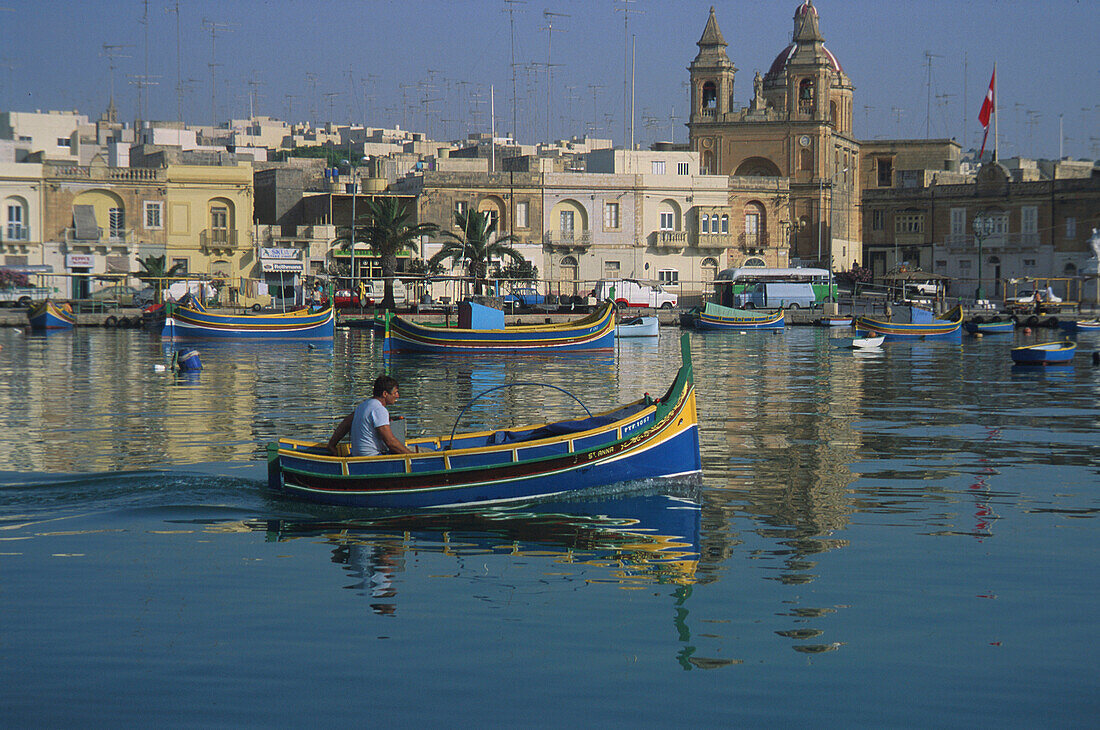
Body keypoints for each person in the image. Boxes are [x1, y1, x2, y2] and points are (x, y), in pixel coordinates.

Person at [327, 374, 413, 457]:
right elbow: (390, 442)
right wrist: (413, 456)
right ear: (385, 394)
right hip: (372, 457)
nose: (397, 396)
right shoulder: (379, 410)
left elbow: (345, 424)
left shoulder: (363, 405)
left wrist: (332, 444)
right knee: (415, 450)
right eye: (395, 393)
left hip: (357, 455)